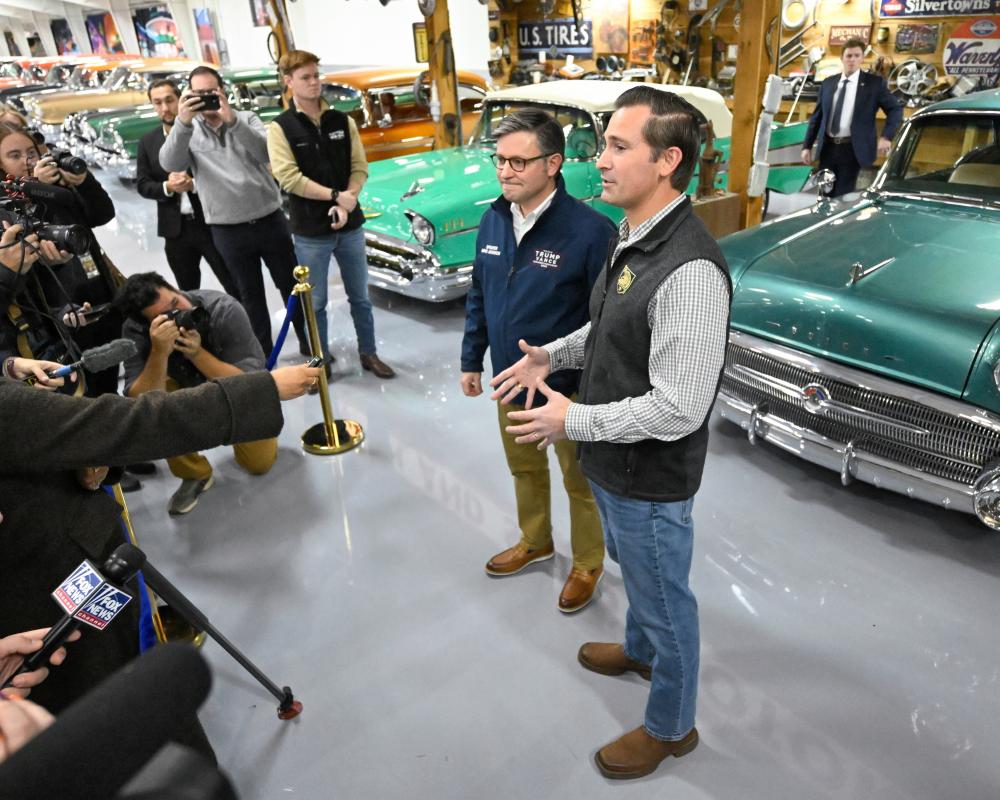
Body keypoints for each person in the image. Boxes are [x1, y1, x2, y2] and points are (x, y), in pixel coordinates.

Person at [492, 86, 731, 780]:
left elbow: (681, 408)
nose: (600, 159)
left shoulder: (689, 271)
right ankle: (639, 650)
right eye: (604, 145)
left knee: (665, 600)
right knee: (639, 581)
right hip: (613, 464)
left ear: (667, 160)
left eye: (619, 146)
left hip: (649, 479)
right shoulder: (633, 235)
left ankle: (672, 726)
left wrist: (573, 419)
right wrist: (552, 355)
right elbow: (609, 329)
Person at [0, 357, 320, 726]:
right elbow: (125, 424)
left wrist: (8, 369)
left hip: (73, 577)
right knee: (130, 710)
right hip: (53, 604)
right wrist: (263, 391)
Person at [460, 109, 611, 612]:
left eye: (518, 162)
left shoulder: (590, 232)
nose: (505, 171)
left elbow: (607, 320)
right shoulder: (493, 219)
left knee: (580, 482)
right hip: (510, 379)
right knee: (523, 468)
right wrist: (471, 359)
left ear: (552, 164)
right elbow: (479, 294)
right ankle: (536, 540)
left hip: (567, 389)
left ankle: (587, 562)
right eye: (500, 160)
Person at [159, 65, 308, 359]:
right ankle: (263, 357)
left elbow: (266, 153)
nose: (206, 99)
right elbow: (170, 163)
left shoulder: (246, 118)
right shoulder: (188, 129)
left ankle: (309, 339)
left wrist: (232, 120)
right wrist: (183, 121)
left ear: (222, 91)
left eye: (211, 92)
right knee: (249, 296)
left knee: (291, 286)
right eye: (198, 93)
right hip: (228, 230)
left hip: (269, 220)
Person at [268, 50, 394, 380]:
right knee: (316, 304)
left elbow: (359, 166)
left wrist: (348, 200)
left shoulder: (342, 121)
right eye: (305, 77)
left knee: (361, 298)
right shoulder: (281, 128)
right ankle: (319, 364)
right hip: (311, 231)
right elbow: (289, 177)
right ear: (288, 81)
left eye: (316, 75)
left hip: (350, 226)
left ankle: (369, 353)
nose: (314, 82)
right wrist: (336, 197)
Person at [115, 271, 277, 515]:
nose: (180, 313)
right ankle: (194, 473)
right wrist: (159, 352)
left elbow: (250, 383)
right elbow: (139, 398)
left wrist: (197, 354)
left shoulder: (223, 310)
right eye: (166, 317)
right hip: (183, 387)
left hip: (233, 388)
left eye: (175, 302)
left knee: (259, 464)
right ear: (148, 323)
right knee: (154, 403)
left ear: (174, 287)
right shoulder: (136, 330)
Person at [136, 79, 240, 299]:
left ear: (181, 100)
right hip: (175, 231)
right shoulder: (148, 141)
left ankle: (243, 319)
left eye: (169, 100)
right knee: (187, 294)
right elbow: (143, 184)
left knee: (234, 284)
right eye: (158, 102)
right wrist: (167, 187)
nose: (165, 108)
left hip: (212, 223)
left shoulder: (203, 133)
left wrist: (193, 183)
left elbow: (227, 172)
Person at [800, 38, 902, 197]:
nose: (852, 60)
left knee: (843, 197)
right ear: (842, 58)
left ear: (862, 58)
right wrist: (806, 146)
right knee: (824, 193)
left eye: (856, 56)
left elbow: (895, 109)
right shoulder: (828, 84)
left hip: (853, 149)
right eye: (849, 56)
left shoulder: (874, 84)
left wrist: (886, 136)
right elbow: (817, 117)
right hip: (828, 148)